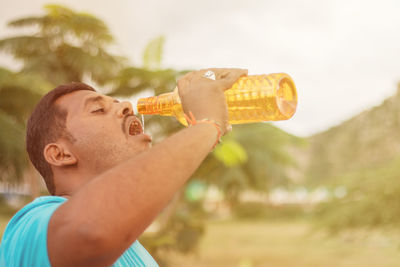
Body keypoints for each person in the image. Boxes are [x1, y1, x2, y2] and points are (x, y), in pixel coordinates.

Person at [0, 68, 248, 266]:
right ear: (59, 154)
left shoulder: (130, 250)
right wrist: (207, 125)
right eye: (98, 109)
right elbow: (88, 234)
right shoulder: (32, 225)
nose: (127, 106)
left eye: (118, 102)